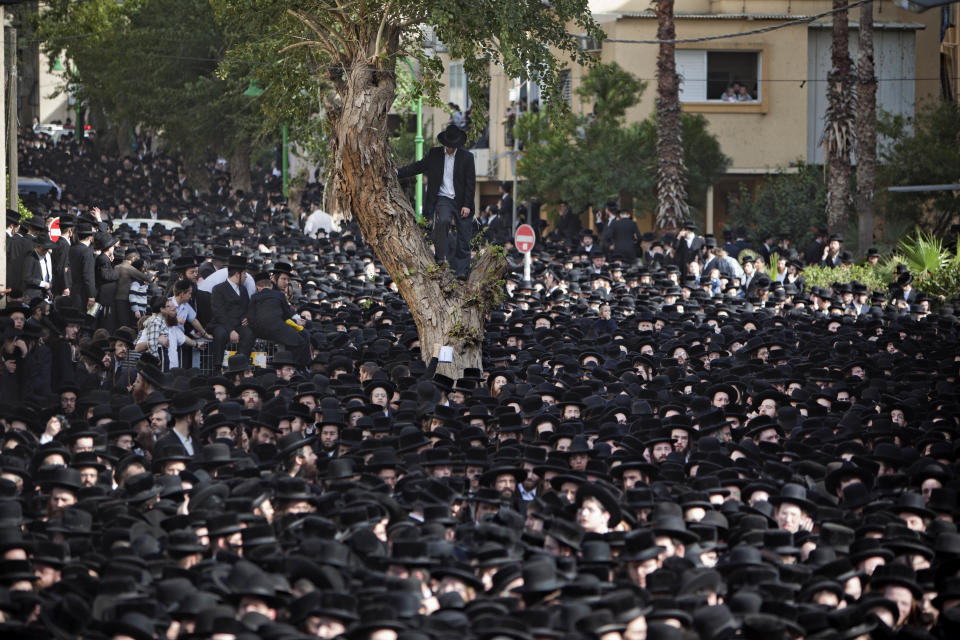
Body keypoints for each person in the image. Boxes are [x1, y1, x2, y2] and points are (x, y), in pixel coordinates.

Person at [397, 123, 476, 279]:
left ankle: (461, 271)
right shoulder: (434, 154)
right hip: (443, 197)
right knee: (443, 220)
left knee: (464, 238)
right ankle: (440, 256)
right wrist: (399, 172)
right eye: (448, 145)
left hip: (461, 200)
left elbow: (470, 183)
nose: (450, 148)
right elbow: (418, 166)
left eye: (453, 146)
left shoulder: (467, 157)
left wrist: (467, 204)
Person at [209, 255, 255, 371]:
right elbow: (219, 312)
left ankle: (239, 364)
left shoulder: (243, 290)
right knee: (220, 334)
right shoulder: (218, 289)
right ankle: (217, 367)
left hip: (239, 324)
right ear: (237, 274)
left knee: (249, 334)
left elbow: (247, 307)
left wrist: (247, 317)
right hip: (223, 324)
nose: (246, 277)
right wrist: (231, 330)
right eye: (244, 274)